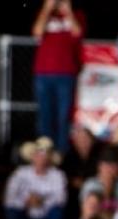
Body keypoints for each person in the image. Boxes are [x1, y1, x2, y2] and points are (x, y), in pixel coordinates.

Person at [31, 0, 82, 154]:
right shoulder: (44, 14)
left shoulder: (77, 14)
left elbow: (77, 33)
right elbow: (37, 32)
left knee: (63, 116)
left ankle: (61, 153)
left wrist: (68, 12)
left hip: (66, 73)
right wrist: (47, 8)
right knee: (44, 115)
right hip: (43, 73)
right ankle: (44, 151)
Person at [4, 136, 67, 219]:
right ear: (32, 156)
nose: (41, 158)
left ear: (50, 158)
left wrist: (41, 201)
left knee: (57, 212)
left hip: (45, 218)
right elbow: (9, 198)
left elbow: (61, 199)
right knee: (12, 211)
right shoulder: (20, 174)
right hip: (25, 217)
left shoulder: (57, 175)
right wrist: (26, 201)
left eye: (45, 155)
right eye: (38, 154)